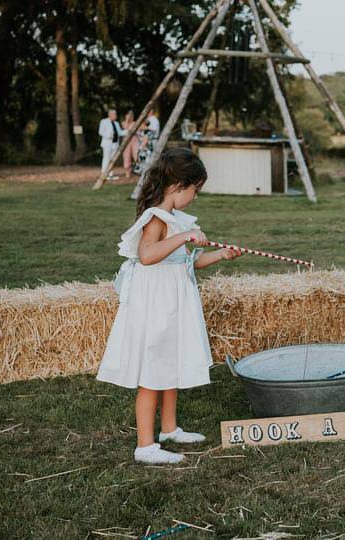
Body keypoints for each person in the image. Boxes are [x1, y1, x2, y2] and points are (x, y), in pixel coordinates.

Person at [96, 148, 242, 465]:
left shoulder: (174, 219)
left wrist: (221, 255)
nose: (196, 197)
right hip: (156, 306)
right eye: (195, 190)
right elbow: (148, 256)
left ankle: (169, 428)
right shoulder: (156, 219)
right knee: (153, 369)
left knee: (169, 363)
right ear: (177, 185)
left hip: (174, 304)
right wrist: (185, 235)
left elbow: (187, 264)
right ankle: (145, 445)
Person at [98, 109, 125, 181]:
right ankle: (104, 174)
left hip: (115, 144)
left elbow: (120, 133)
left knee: (112, 160)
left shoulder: (116, 123)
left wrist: (129, 131)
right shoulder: (104, 121)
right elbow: (100, 132)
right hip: (107, 144)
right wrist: (109, 135)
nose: (116, 116)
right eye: (114, 114)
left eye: (116, 114)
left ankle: (110, 175)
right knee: (106, 159)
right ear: (110, 115)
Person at [121, 110, 140, 179]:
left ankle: (138, 170)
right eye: (129, 116)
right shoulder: (124, 123)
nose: (130, 117)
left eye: (131, 116)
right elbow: (125, 127)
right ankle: (127, 173)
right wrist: (127, 119)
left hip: (134, 140)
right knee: (126, 156)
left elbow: (137, 131)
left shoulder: (135, 123)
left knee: (136, 155)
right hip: (126, 141)